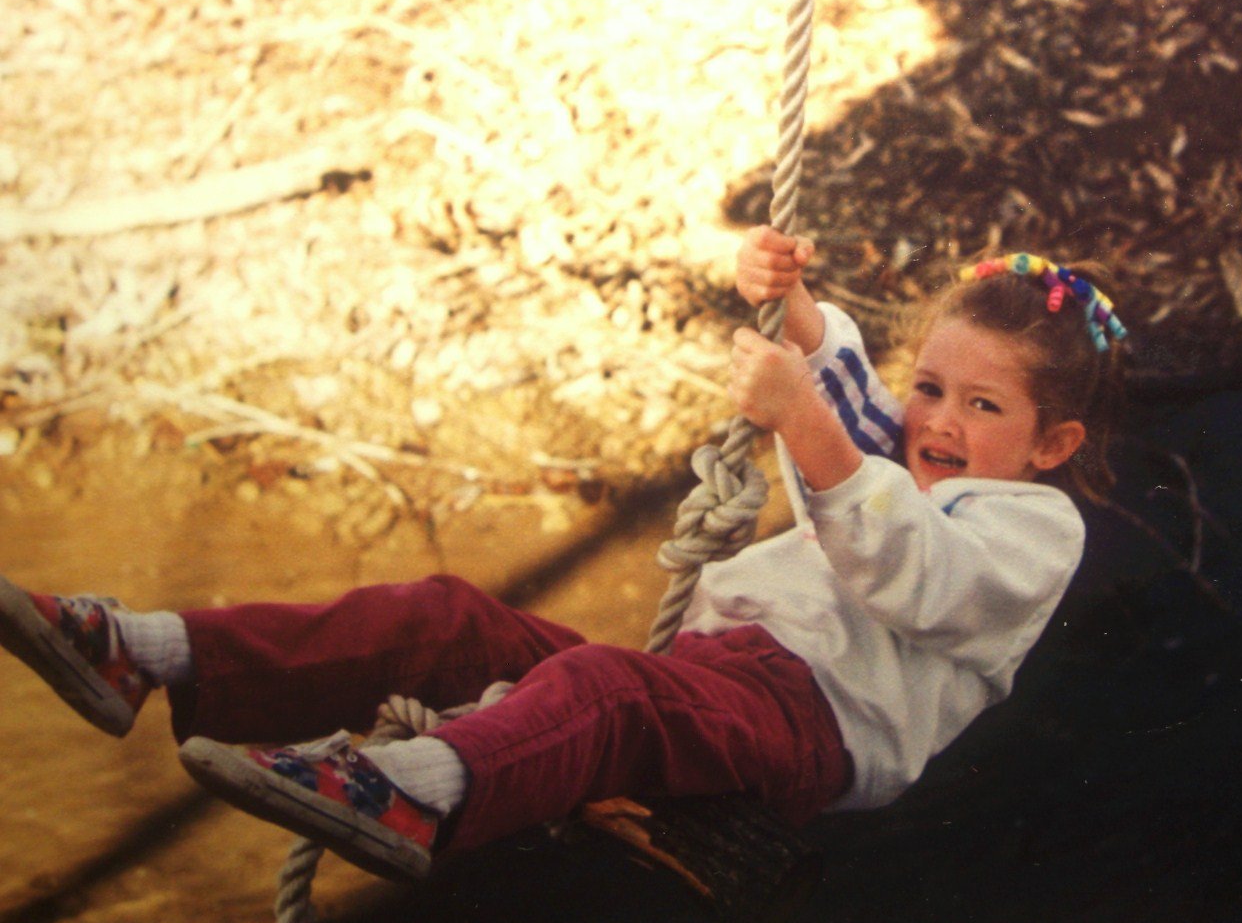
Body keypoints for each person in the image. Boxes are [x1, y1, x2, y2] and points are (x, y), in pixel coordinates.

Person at [0, 227, 1127, 884]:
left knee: (606, 690)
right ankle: (146, 651)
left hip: (810, 727)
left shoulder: (1033, 533)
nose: (937, 419)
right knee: (449, 618)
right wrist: (788, 300)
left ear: (1053, 444)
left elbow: (913, 569)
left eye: (982, 405)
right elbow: (841, 391)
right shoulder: (906, 450)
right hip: (716, 677)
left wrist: (801, 422)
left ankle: (413, 797)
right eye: (929, 385)